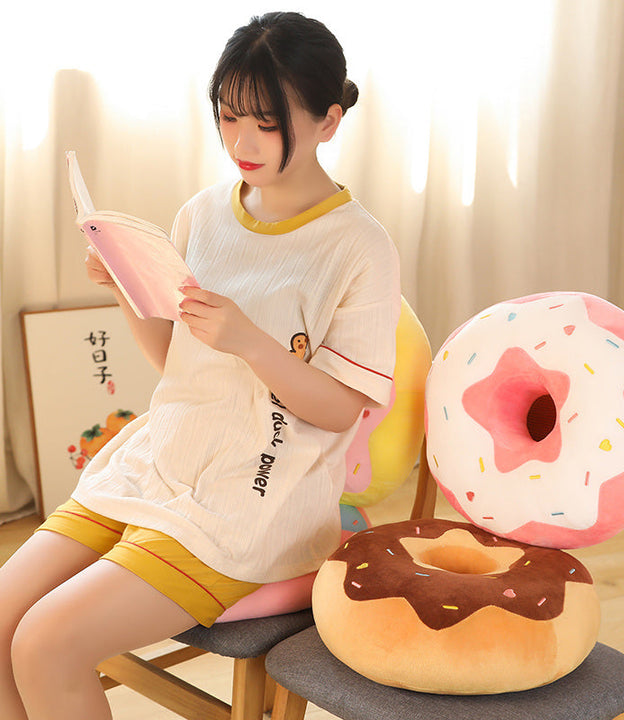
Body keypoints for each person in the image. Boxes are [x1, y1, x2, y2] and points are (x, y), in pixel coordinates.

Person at [0, 12, 400, 719]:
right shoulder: (202, 214)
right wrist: (125, 288)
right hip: (160, 460)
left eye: (267, 123)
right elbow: (174, 363)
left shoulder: (359, 247)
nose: (242, 142)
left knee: (45, 644)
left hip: (253, 498)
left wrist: (251, 342)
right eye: (229, 116)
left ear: (329, 121)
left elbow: (342, 409)